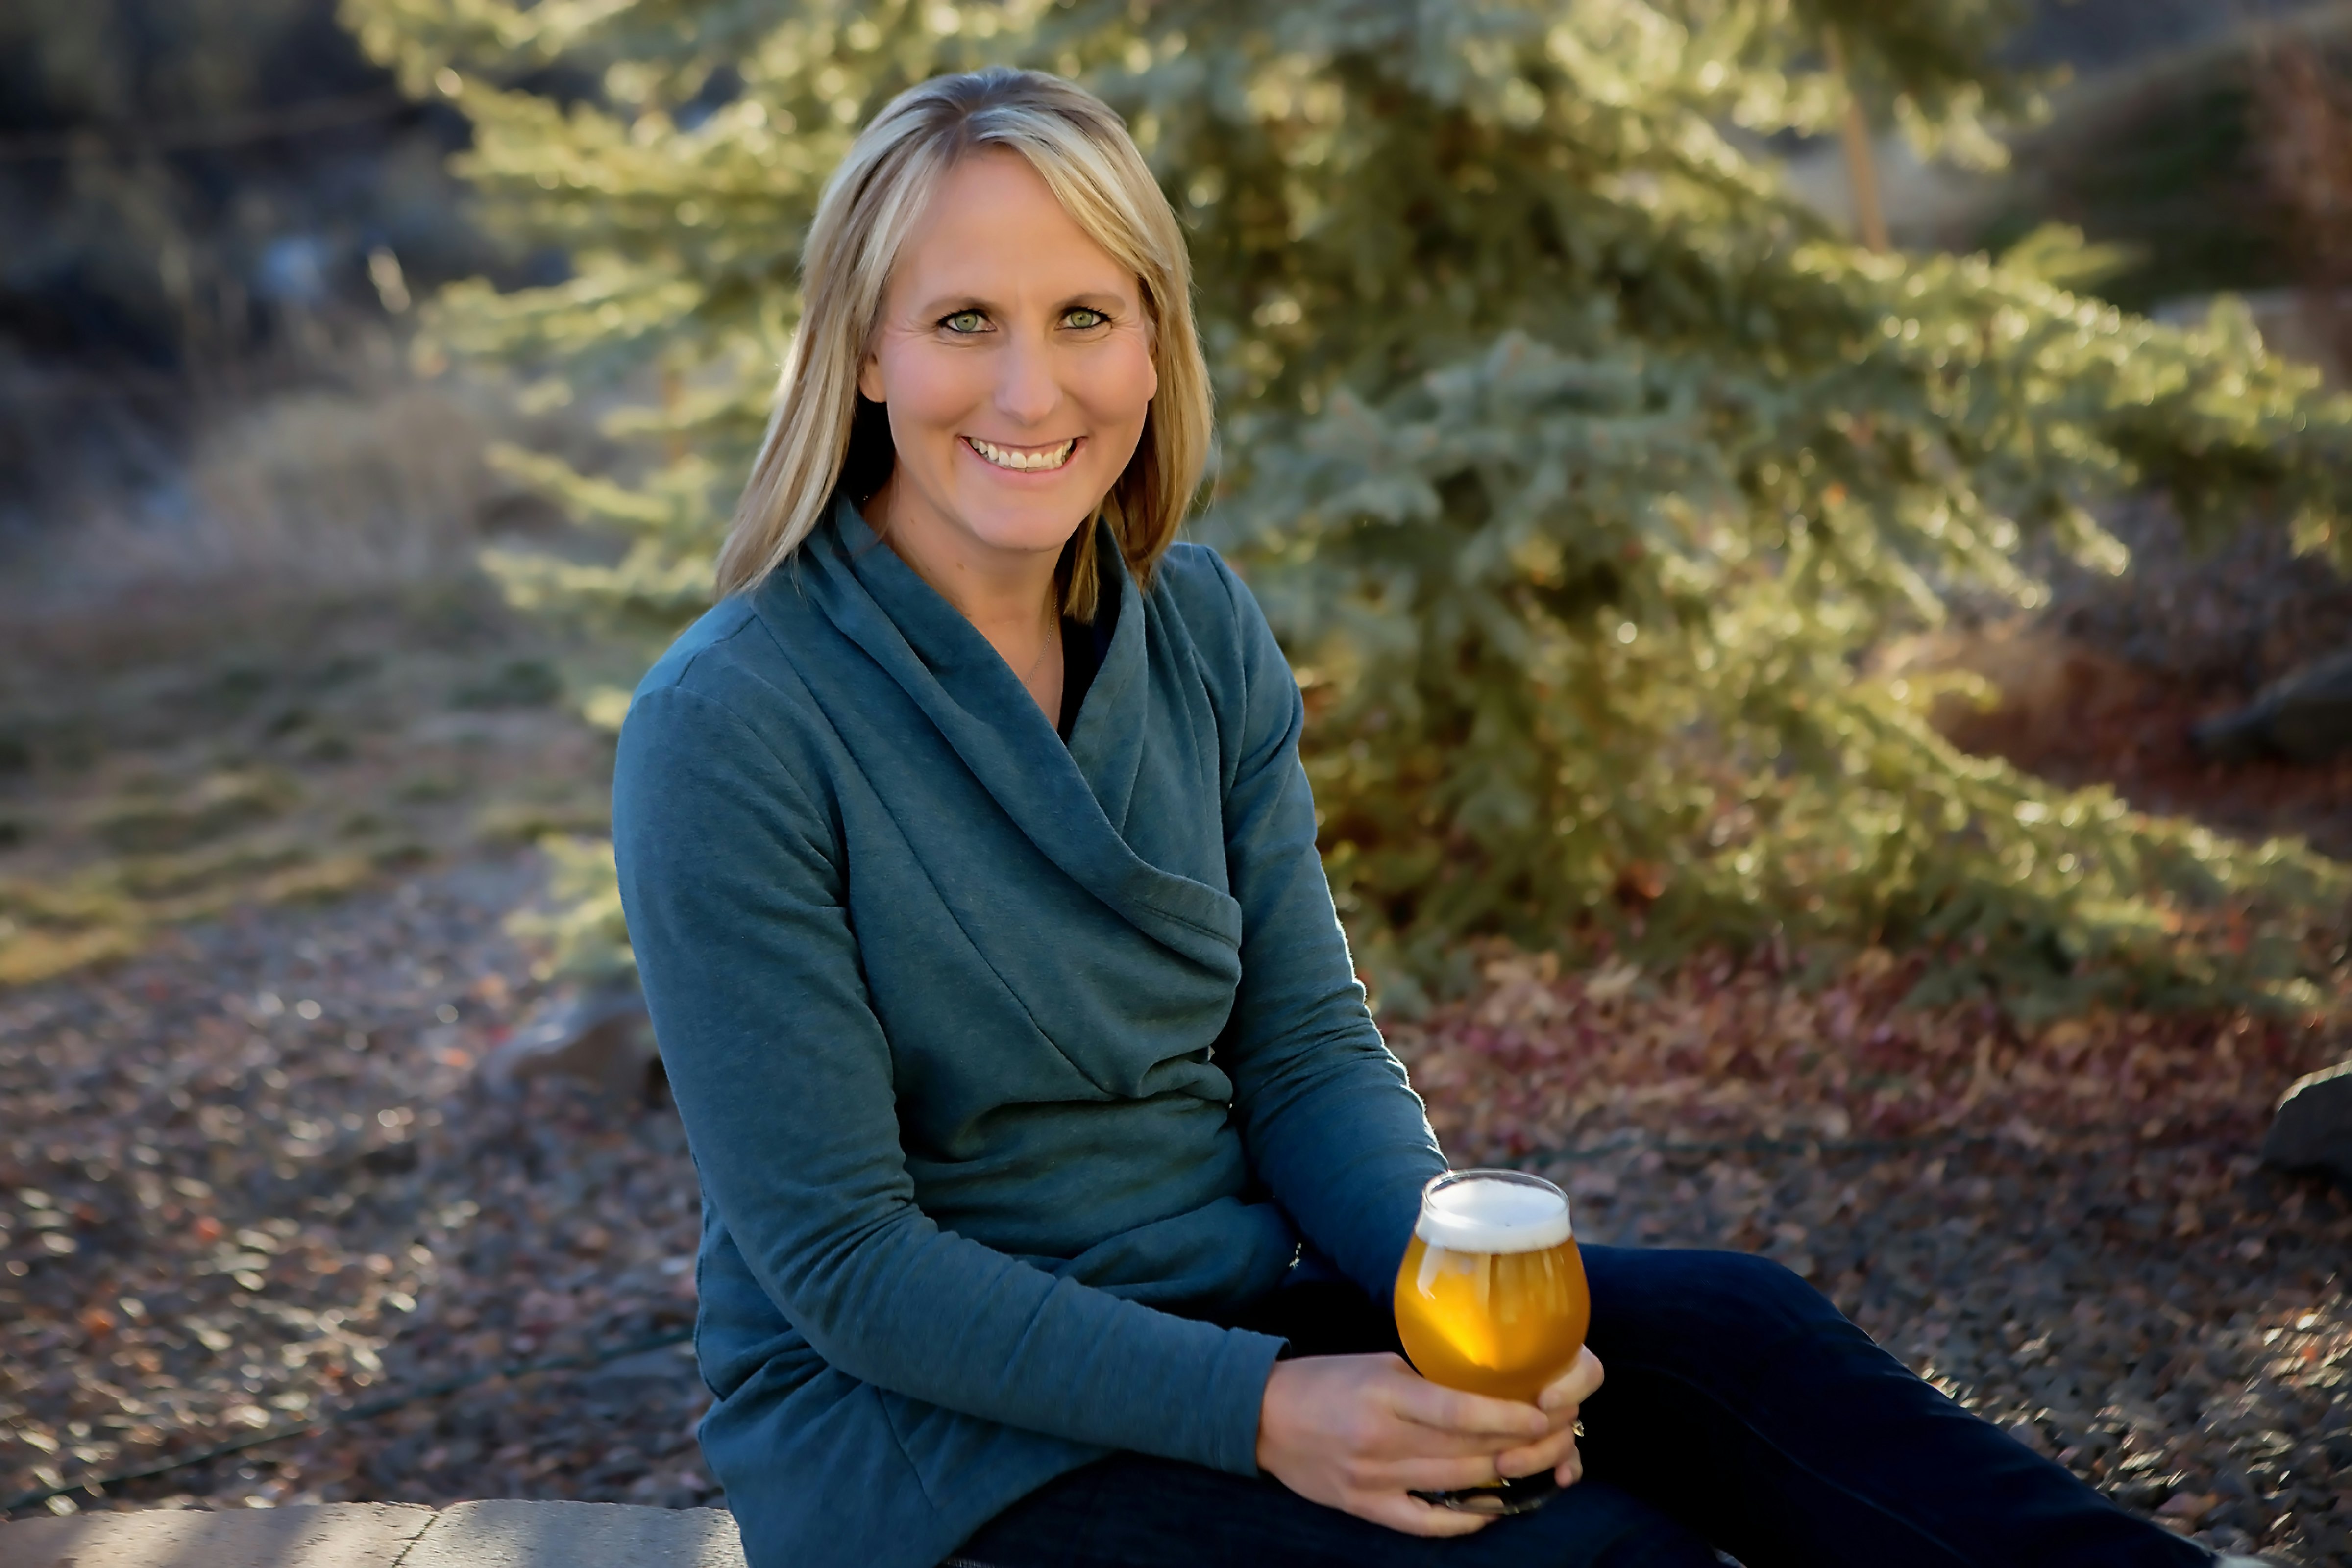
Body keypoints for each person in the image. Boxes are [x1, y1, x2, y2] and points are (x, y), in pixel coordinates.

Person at [610, 66, 2254, 1568]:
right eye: (964, 318)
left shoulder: (1195, 632)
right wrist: (1271, 1411)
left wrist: (1455, 1301)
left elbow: (1309, 1048)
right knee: (1594, 1561)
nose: (1035, 388)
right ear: (867, 351)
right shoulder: (732, 725)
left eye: (1087, 314)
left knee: (1746, 1336)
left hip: (1236, 1299)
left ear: (1155, 342)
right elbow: (845, 1265)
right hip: (927, 1440)